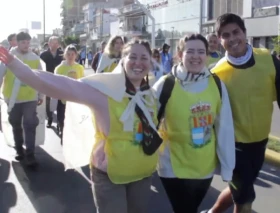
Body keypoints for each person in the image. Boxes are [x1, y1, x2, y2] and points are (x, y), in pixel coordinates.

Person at [0, 39, 162, 213]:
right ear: (122, 60)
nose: (138, 62)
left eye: (144, 57)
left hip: (142, 173)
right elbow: (53, 83)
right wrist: (14, 64)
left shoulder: (151, 94)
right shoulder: (103, 92)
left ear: (150, 62)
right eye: (133, 56)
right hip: (109, 174)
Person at [202, 13, 280, 213]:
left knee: (240, 188)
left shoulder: (269, 60)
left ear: (245, 33)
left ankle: (213, 212)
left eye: (236, 32)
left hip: (260, 141)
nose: (232, 38)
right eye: (226, 35)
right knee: (245, 197)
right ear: (220, 41)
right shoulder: (215, 73)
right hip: (233, 145)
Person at [153, 34, 235, 213]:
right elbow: (145, 119)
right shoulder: (165, 84)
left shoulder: (217, 85)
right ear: (180, 54)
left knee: (190, 208)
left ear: (207, 55)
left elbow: (225, 128)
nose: (196, 56)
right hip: (171, 165)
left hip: (204, 167)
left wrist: (228, 167)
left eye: (201, 51)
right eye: (190, 51)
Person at [0, 32, 45, 166]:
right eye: (23, 42)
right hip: (12, 98)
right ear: (17, 43)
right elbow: (1, 75)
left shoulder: (35, 58)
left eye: (28, 42)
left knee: (30, 125)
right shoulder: (8, 57)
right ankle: (19, 149)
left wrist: (41, 95)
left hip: (30, 97)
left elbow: (40, 78)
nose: (26, 45)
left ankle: (30, 154)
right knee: (15, 123)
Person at [54, 45, 84, 142]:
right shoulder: (59, 68)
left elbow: (83, 82)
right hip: (63, 98)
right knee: (63, 119)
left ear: (76, 55)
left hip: (76, 98)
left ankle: (73, 139)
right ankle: (63, 134)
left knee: (74, 120)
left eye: (72, 54)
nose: (70, 56)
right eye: (68, 54)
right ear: (65, 55)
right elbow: (56, 83)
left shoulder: (79, 67)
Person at [40, 36, 64, 128]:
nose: (55, 45)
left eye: (56, 43)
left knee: (60, 101)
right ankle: (50, 118)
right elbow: (40, 68)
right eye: (53, 43)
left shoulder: (62, 54)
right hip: (47, 81)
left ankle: (60, 121)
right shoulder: (43, 55)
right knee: (48, 102)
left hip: (60, 81)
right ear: (49, 44)